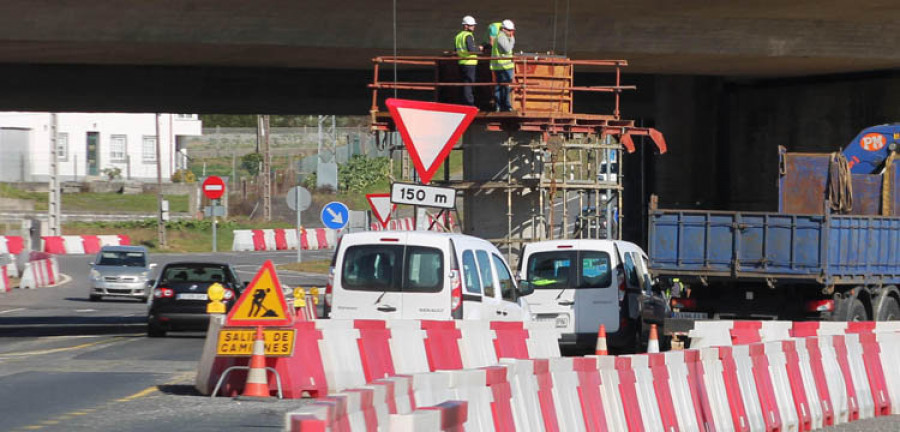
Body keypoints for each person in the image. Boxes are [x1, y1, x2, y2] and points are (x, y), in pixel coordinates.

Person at [491, 19, 515, 112]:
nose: (511, 33)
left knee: (501, 86)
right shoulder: (501, 37)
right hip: (503, 66)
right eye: (509, 30)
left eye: (512, 31)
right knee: (504, 86)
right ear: (504, 29)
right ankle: (505, 106)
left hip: (501, 66)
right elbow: (507, 49)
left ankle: (500, 106)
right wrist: (512, 39)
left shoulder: (501, 36)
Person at [455, 15, 479, 106]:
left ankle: (463, 102)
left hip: (461, 62)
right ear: (466, 26)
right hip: (470, 63)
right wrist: (479, 49)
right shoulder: (468, 35)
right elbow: (471, 50)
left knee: (464, 83)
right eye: (472, 25)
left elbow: (456, 50)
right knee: (469, 84)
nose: (473, 27)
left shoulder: (458, 36)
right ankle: (469, 103)